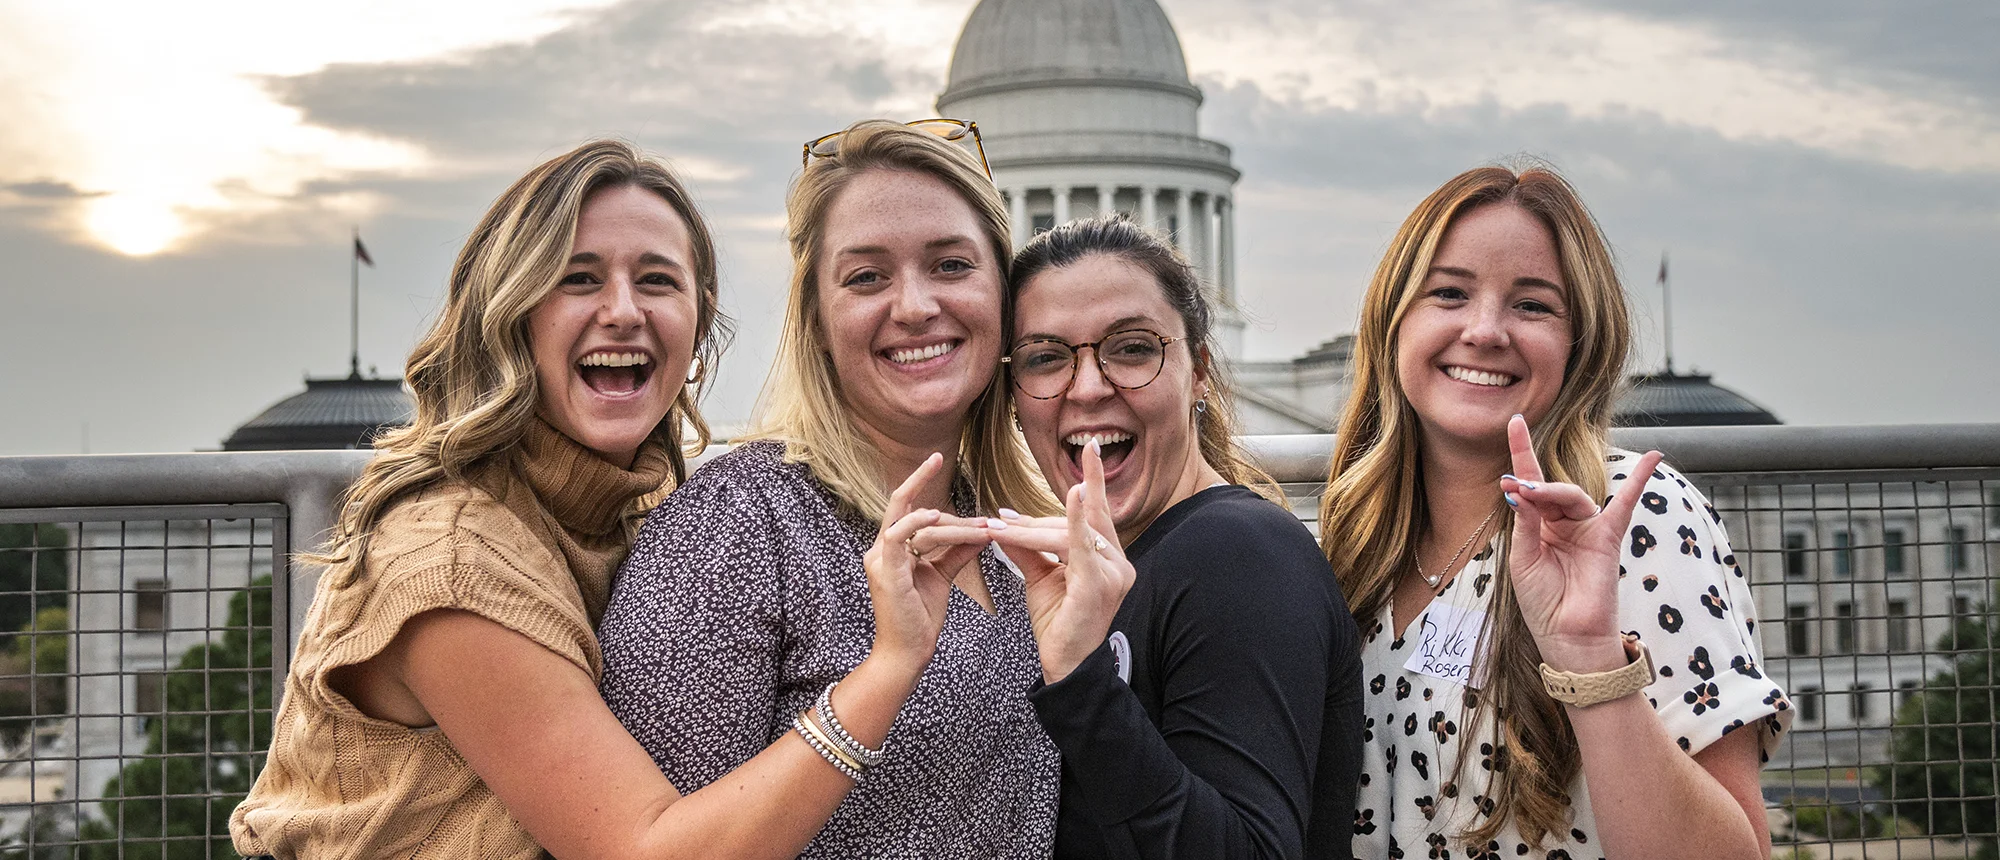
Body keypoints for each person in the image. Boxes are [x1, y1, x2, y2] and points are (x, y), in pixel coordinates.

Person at [231, 138, 764, 858]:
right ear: (510, 315)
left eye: (658, 280)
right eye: (578, 279)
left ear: (698, 321)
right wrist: (878, 684)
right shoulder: (453, 560)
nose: (623, 311)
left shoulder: (646, 506)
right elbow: (643, 851)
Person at [595, 119, 1061, 858]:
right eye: (867, 277)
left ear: (1004, 296)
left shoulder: (1017, 525)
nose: (913, 306)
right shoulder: (738, 525)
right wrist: (882, 677)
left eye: (950, 265)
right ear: (815, 318)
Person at [1319, 165, 1791, 860]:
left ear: (1580, 344)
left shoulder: (1637, 516)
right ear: (1392, 322)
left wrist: (1591, 659)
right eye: (1448, 293)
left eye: (1533, 306)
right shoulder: (1353, 538)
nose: (1484, 331)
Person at [920, 217, 1364, 859]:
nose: (1090, 386)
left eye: (1132, 348)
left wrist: (1082, 684)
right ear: (1013, 396)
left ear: (1200, 371)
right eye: (1046, 358)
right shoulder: (1123, 571)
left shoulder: (1236, 554)